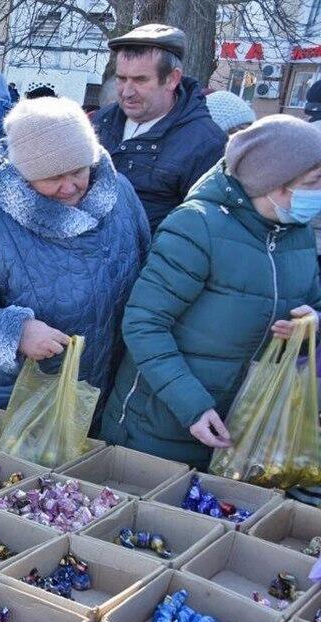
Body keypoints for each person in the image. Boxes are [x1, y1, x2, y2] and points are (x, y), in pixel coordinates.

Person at [101, 116, 321, 468]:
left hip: (243, 426)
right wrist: (192, 405)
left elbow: (313, 302)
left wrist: (311, 324)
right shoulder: (196, 225)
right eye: (313, 182)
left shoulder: (297, 233)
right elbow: (144, 324)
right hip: (159, 427)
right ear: (274, 181)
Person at [0, 97, 149, 407]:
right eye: (53, 177)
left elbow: (144, 264)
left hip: (101, 392)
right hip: (13, 401)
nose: (69, 187)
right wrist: (16, 333)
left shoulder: (119, 194)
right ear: (25, 175)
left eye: (78, 171)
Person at [94, 24, 226, 233]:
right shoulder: (102, 120)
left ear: (172, 79)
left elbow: (205, 231)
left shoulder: (206, 144)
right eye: (121, 78)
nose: (127, 92)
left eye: (140, 80)